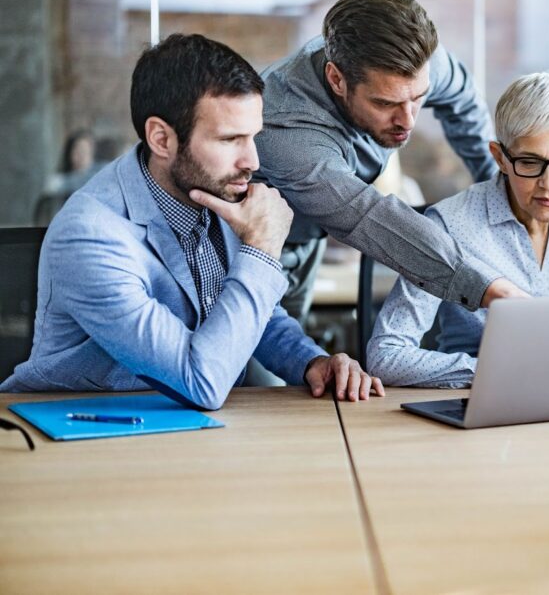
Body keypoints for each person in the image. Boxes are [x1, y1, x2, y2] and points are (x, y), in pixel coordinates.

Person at [1, 34, 383, 409]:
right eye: (230, 140)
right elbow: (200, 381)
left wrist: (312, 362)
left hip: (196, 431)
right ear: (162, 139)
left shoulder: (215, 190)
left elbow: (252, 315)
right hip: (86, 433)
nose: (252, 161)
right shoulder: (90, 235)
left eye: (253, 137)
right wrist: (262, 249)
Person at [256, 0, 524, 328]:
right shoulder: (284, 126)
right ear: (336, 79)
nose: (408, 121)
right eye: (385, 104)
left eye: (418, 98)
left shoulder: (416, 64)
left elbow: (464, 103)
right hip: (245, 256)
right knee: (260, 375)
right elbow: (368, 216)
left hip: (309, 240)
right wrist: (486, 287)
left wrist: (503, 199)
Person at [367, 73, 549, 387]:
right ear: (500, 157)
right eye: (529, 162)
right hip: (479, 401)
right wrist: (494, 372)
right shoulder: (449, 225)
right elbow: (386, 356)